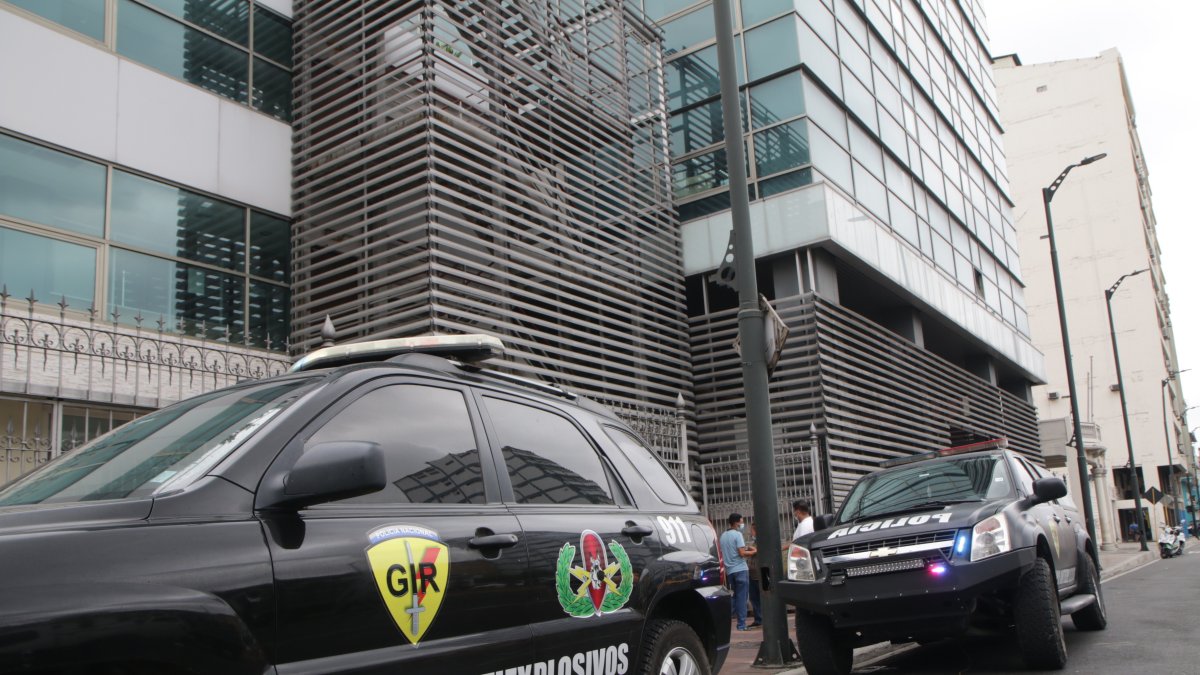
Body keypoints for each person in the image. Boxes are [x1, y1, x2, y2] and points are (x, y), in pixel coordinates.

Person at [719, 513, 757, 631]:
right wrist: (754, 552)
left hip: (730, 571)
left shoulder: (723, 536)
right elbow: (741, 553)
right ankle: (741, 625)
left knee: (734, 597)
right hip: (740, 569)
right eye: (741, 522)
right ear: (736, 523)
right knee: (742, 598)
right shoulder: (738, 534)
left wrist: (745, 548)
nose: (742, 524)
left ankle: (723, 621)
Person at [745, 524, 762, 628]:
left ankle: (761, 618)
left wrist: (749, 550)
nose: (751, 533)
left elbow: (756, 551)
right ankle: (758, 618)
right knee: (754, 597)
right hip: (752, 572)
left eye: (752, 530)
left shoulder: (762, 541)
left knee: (758, 597)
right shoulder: (754, 543)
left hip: (758, 573)